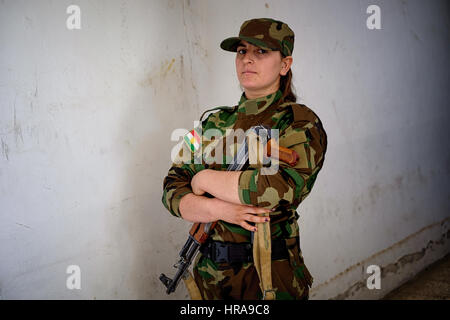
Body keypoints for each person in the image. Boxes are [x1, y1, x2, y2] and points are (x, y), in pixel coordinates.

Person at [162, 18, 327, 300]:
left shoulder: (300, 123)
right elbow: (172, 188)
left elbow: (273, 191)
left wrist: (203, 178)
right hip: (211, 278)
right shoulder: (209, 122)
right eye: (242, 51)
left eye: (261, 52)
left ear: (285, 64)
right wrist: (218, 210)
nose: (248, 59)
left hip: (269, 278)